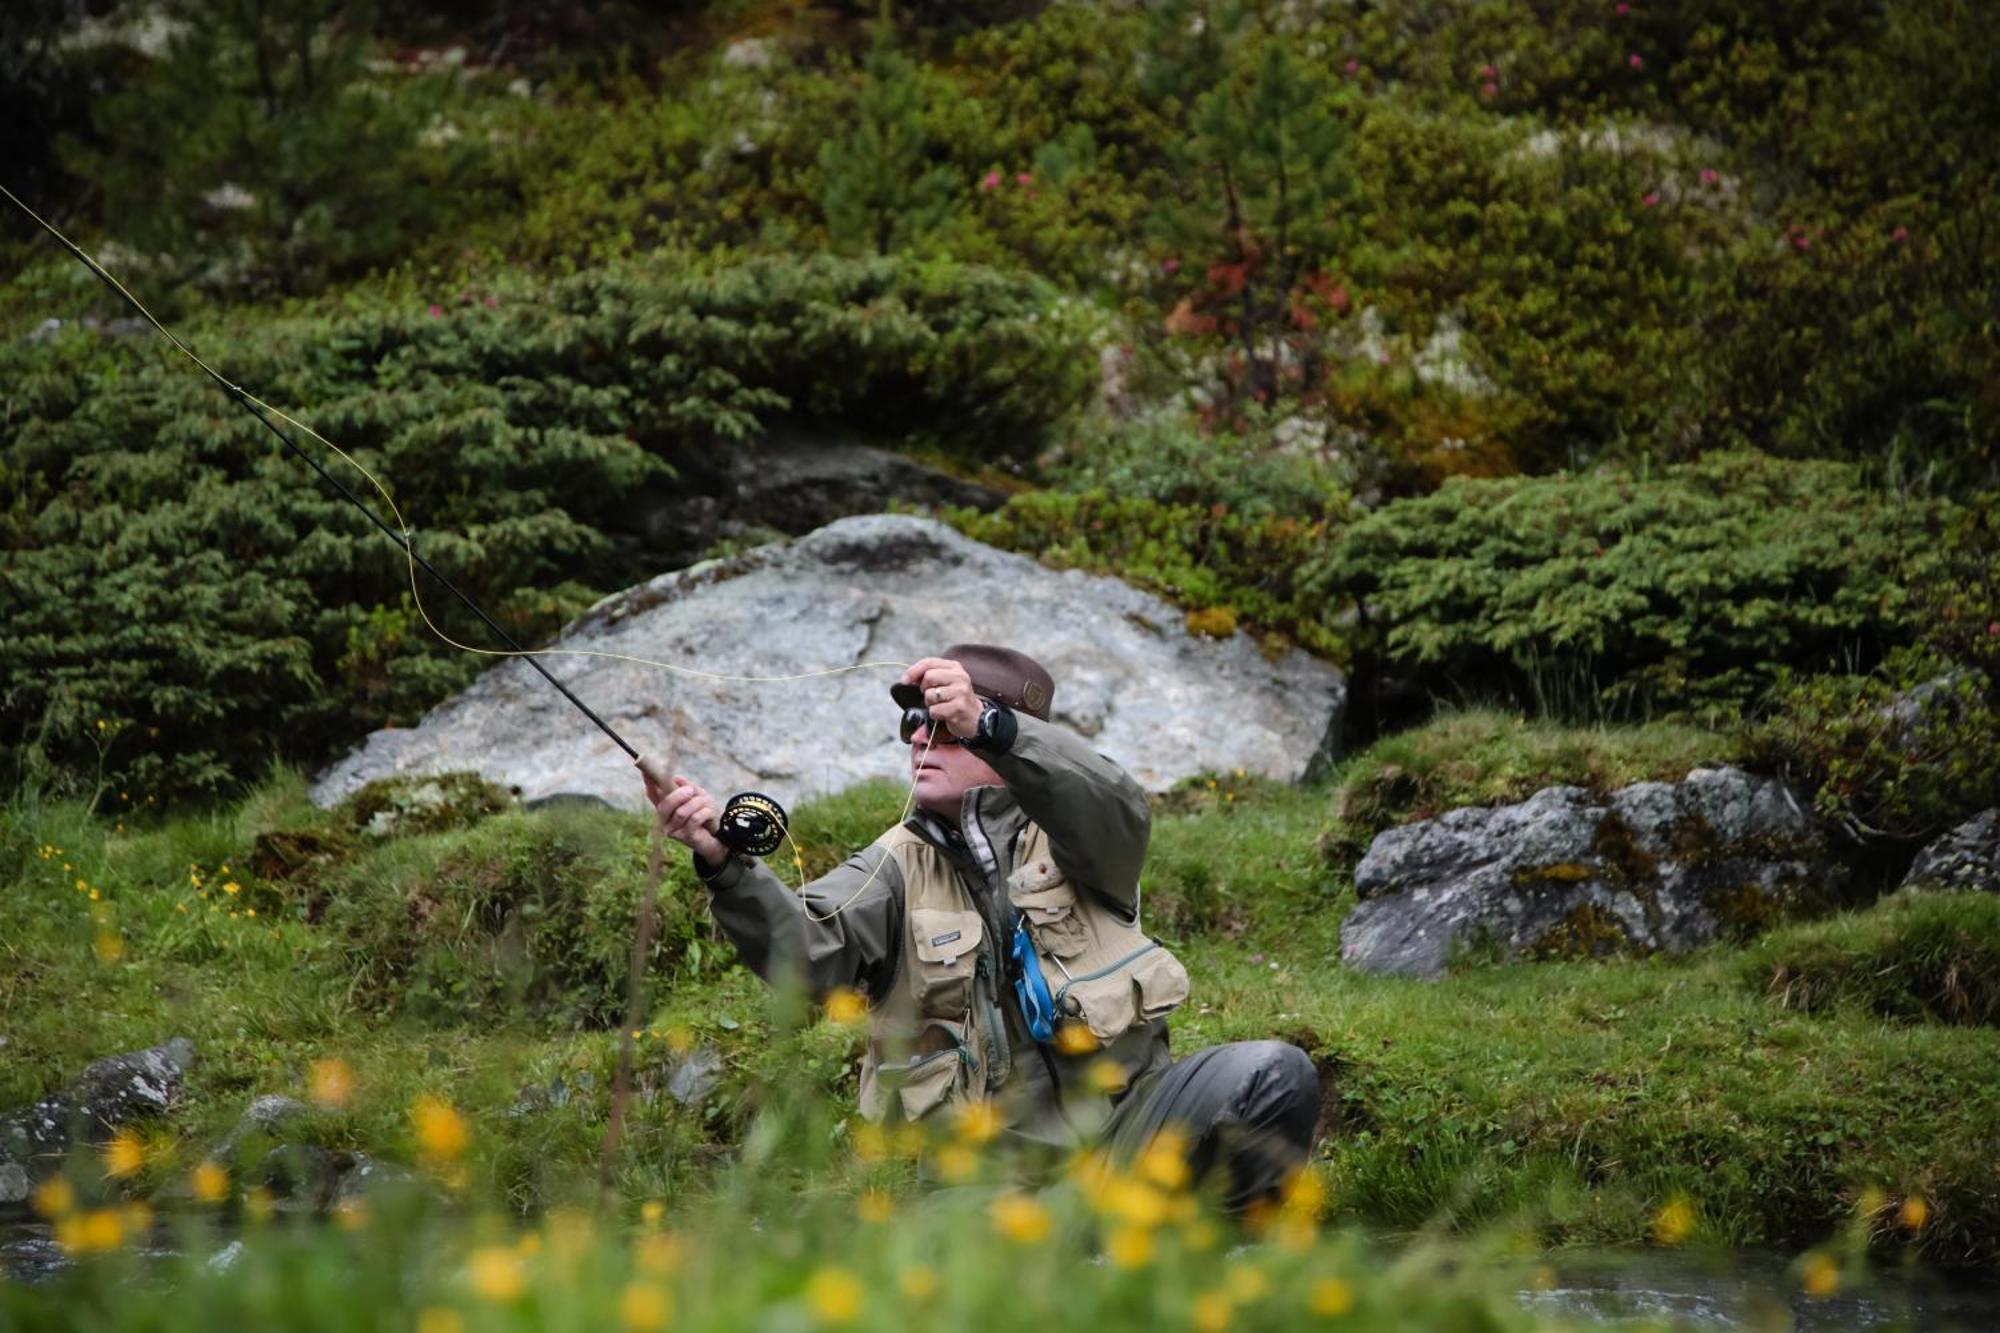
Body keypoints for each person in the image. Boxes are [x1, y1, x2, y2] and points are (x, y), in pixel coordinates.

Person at [644, 644, 1319, 1212]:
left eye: (938, 721)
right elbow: (807, 951)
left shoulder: (1081, 839)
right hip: (985, 1203)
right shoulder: (893, 865)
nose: (917, 736)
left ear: (1000, 732)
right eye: (913, 721)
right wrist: (723, 862)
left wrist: (992, 726)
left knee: (1274, 1074)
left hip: (1129, 1149)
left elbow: (1116, 804)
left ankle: (1224, 1269)